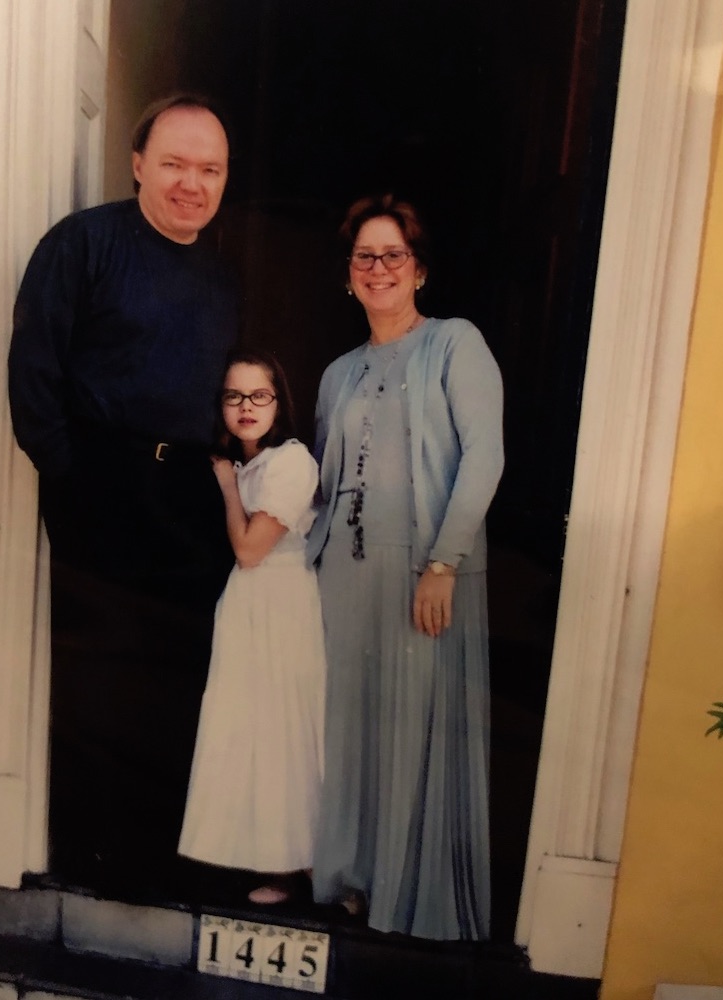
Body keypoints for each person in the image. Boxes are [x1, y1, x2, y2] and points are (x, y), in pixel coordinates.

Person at [7, 94, 239, 896]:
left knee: (173, 677)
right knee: (95, 678)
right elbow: (33, 374)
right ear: (137, 163)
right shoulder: (82, 245)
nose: (190, 184)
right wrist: (69, 475)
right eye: (173, 164)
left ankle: (156, 860)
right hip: (98, 484)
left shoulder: (217, 273)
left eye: (208, 170)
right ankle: (90, 862)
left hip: (186, 494)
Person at [307, 194, 504, 940]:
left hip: (425, 569)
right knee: (347, 727)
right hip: (345, 574)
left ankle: (407, 901)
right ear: (347, 275)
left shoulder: (455, 344)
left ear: (418, 269)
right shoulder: (336, 373)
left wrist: (443, 563)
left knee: (413, 728)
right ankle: (350, 879)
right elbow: (324, 484)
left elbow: (484, 454)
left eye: (393, 255)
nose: (378, 268)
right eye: (364, 256)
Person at [178, 349, 325, 905]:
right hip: (248, 608)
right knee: (255, 732)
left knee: (287, 731)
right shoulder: (247, 462)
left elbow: (249, 549)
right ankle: (278, 865)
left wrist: (226, 485)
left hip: (281, 604)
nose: (245, 407)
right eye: (234, 396)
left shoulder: (289, 462)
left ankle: (318, 870)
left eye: (259, 395)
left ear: (279, 403)